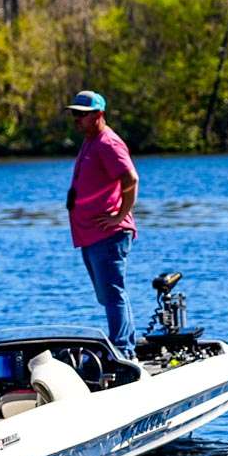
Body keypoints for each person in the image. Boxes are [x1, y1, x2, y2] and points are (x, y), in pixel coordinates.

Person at [65, 90, 139, 357]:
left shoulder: (108, 143)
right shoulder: (90, 141)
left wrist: (120, 216)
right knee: (105, 295)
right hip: (90, 235)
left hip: (109, 234)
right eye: (74, 114)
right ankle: (125, 343)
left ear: (98, 115)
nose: (76, 119)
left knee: (112, 292)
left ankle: (122, 350)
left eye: (82, 115)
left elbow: (130, 179)